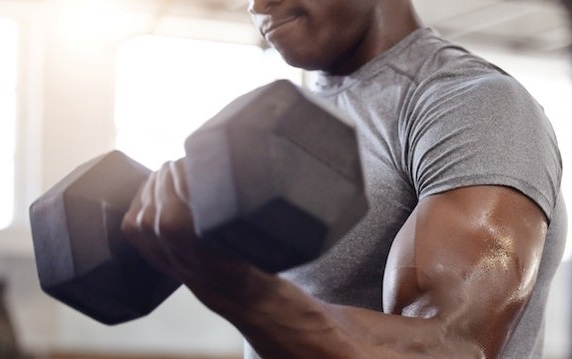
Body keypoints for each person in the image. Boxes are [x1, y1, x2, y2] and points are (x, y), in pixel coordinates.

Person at [121, 0, 567, 358]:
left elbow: (451, 347)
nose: (258, 6)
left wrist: (241, 293)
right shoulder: (289, 122)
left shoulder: (468, 105)